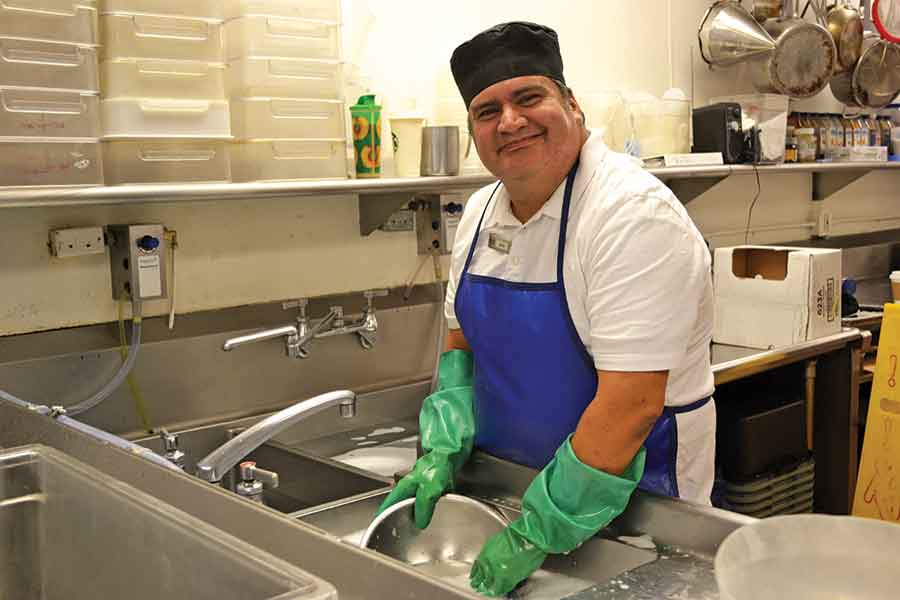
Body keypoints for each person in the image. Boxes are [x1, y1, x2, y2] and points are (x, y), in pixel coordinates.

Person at [378, 21, 715, 597]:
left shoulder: (629, 215)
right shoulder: (481, 211)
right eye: (487, 111)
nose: (509, 121)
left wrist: (539, 530)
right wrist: (441, 447)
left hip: (639, 505)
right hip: (515, 489)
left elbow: (631, 406)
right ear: (472, 133)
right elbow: (463, 344)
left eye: (528, 97)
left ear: (571, 103)